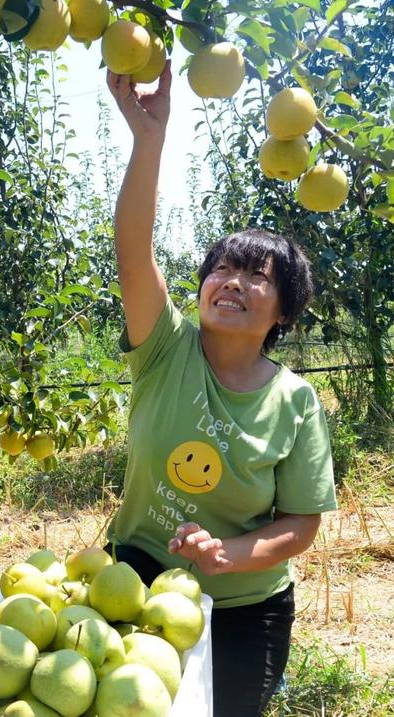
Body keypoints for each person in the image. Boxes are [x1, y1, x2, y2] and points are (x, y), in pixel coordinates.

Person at [105, 64, 337, 717]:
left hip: (245, 607)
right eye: (222, 268)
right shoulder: (165, 348)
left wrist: (230, 554)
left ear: (284, 311)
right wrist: (149, 140)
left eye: (256, 276)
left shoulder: (294, 401)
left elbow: (301, 522)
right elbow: (132, 247)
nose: (233, 281)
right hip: (136, 577)